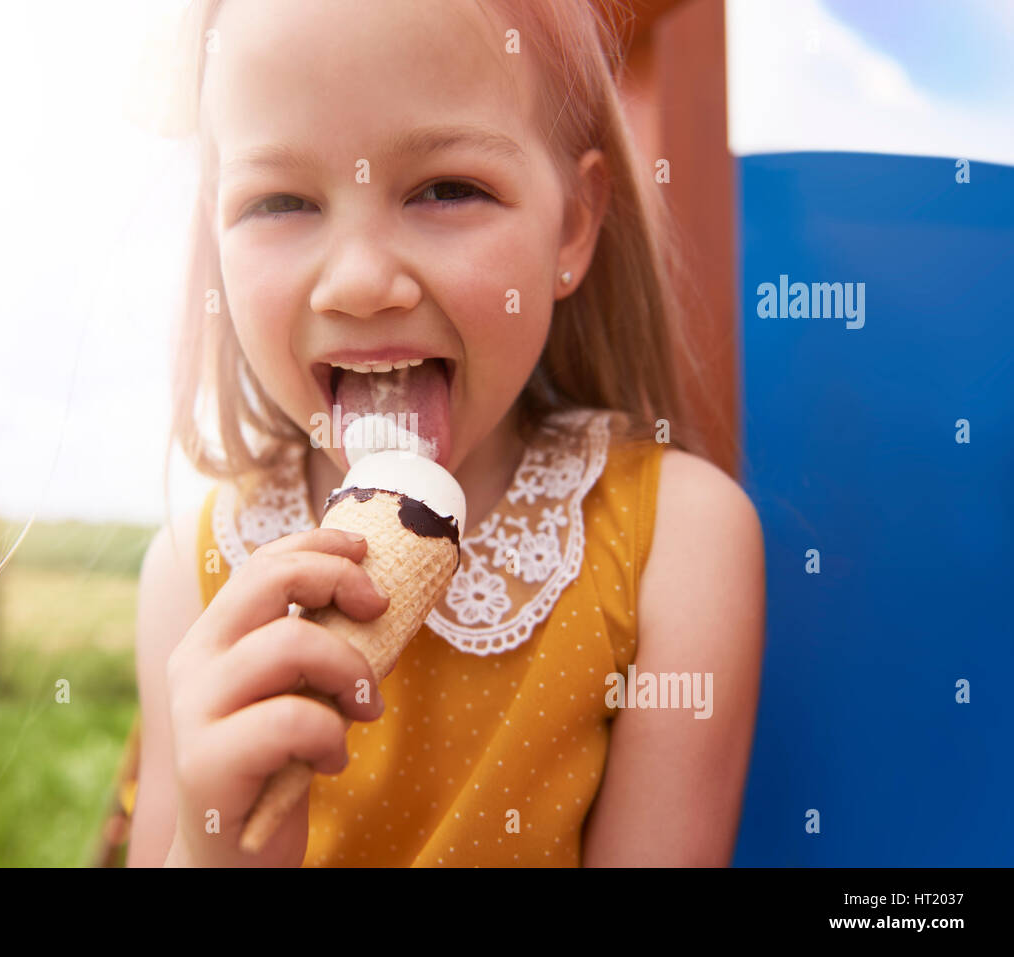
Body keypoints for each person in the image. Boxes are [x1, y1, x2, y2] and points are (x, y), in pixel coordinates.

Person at [113, 0, 765, 867]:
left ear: (572, 223)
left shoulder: (675, 544)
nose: (358, 281)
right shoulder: (190, 579)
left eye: (446, 189)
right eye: (279, 201)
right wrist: (217, 850)